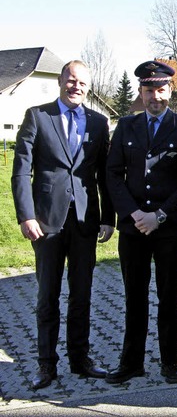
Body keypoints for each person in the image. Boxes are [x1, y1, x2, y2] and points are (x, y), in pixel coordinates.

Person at [11, 60, 115, 390]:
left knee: (82, 294)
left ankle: (80, 359)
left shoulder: (99, 123)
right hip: (46, 221)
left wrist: (107, 218)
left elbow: (104, 175)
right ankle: (46, 365)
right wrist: (26, 215)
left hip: (85, 221)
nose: (76, 87)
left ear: (88, 87)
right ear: (60, 81)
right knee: (48, 296)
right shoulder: (37, 116)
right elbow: (20, 171)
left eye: (82, 83)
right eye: (71, 80)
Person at [105, 60, 177, 385]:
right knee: (134, 296)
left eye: (160, 89)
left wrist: (158, 215)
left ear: (169, 90)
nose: (154, 96)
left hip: (167, 227)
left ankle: (170, 363)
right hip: (133, 228)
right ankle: (131, 363)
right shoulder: (126, 126)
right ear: (141, 92)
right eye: (148, 90)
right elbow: (113, 175)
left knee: (169, 296)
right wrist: (134, 214)